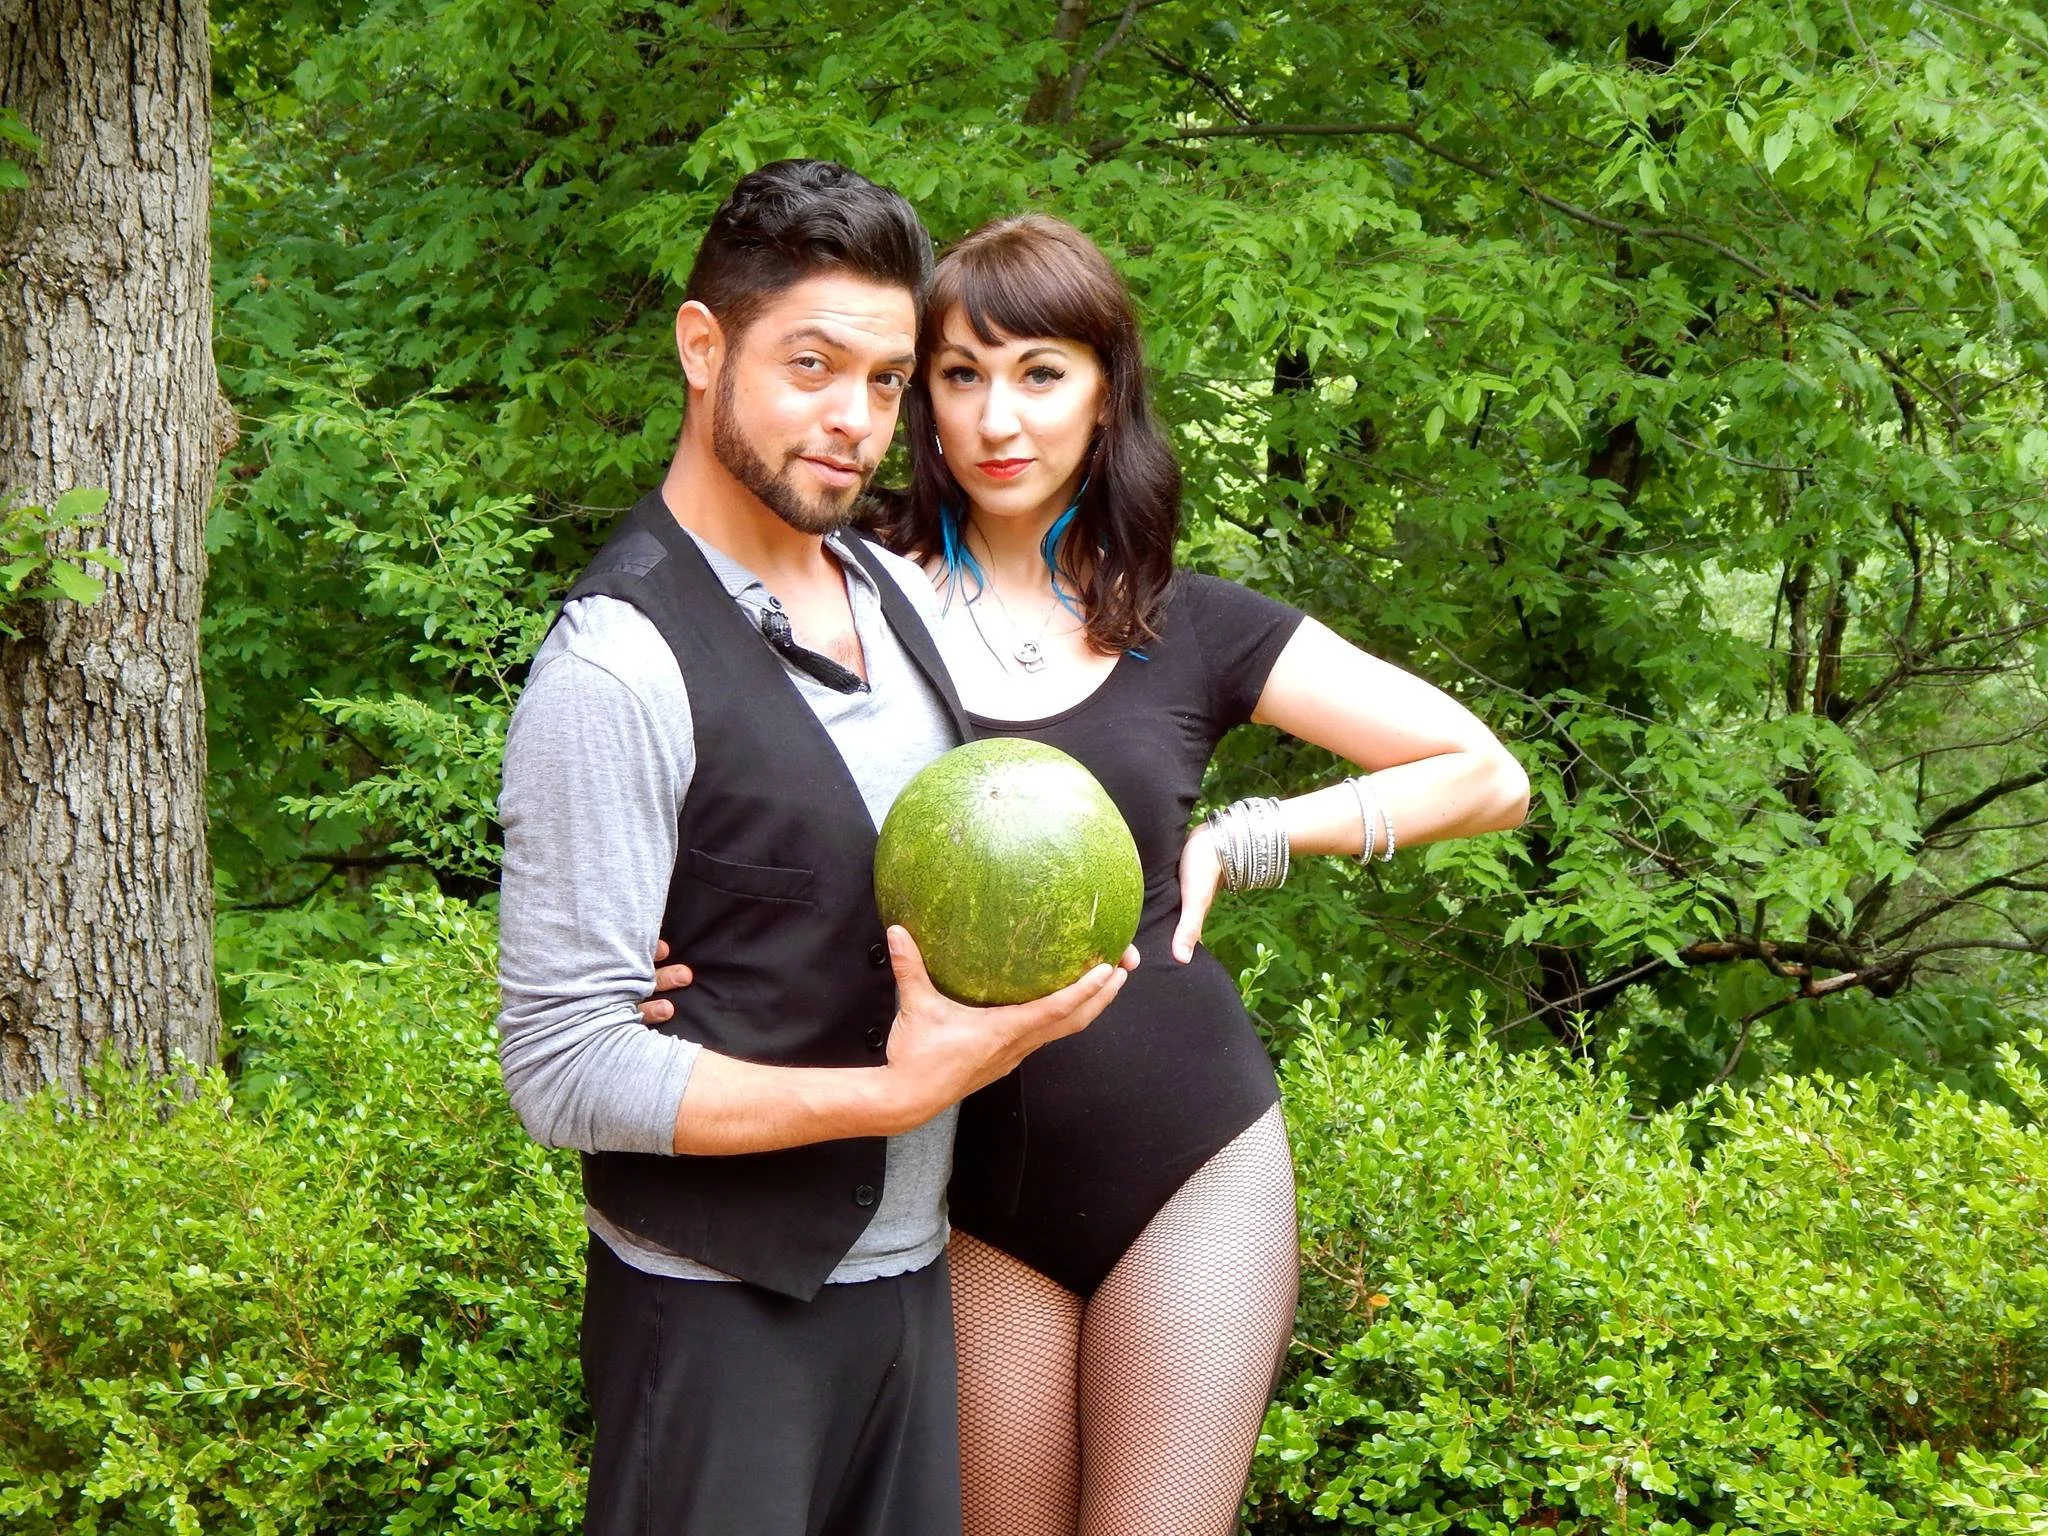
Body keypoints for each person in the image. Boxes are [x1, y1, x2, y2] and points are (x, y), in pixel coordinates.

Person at [495, 164, 1133, 1536]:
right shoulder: (615, 667)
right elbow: (562, 1067)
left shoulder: (893, 593)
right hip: (717, 1319)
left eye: (890, 381)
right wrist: (888, 1093)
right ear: (702, 346)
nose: (855, 420)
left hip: (911, 1290)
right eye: (813, 365)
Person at [872, 214, 1532, 1536]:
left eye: (1041, 372)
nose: (998, 414)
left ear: (1105, 390)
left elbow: (1484, 773)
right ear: (924, 398)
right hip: (966, 1186)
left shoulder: (1187, 619)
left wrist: (1255, 836)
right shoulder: (855, 609)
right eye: (961, 373)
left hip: (1187, 1156)